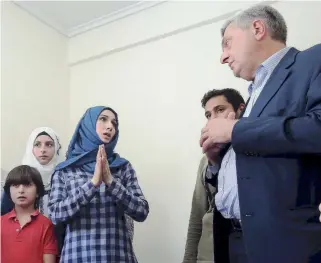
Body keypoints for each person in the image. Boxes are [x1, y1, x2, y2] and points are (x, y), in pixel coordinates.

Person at [200, 4, 321, 263]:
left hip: (286, 245)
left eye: (227, 43)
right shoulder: (254, 92)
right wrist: (216, 162)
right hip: (236, 242)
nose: (223, 57)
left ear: (257, 28)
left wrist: (235, 129)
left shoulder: (312, 62)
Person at [48, 106, 149, 263]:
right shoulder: (66, 170)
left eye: (114, 123)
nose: (110, 126)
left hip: (118, 256)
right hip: (77, 256)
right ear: (88, 125)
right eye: (103, 119)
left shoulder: (122, 166)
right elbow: (55, 215)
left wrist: (111, 182)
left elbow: (141, 211)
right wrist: (92, 184)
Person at [182, 88, 244, 263]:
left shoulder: (254, 150)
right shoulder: (206, 160)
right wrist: (188, 259)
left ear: (240, 109)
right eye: (209, 115)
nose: (214, 119)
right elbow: (197, 214)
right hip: (210, 253)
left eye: (220, 110)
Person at [1, 165, 58, 263]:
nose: (21, 190)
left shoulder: (46, 224)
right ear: (8, 192)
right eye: (15, 185)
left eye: (27, 185)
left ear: (37, 192)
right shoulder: (1, 223)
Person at [1, 127, 61, 216]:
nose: (43, 150)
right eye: (37, 144)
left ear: (56, 148)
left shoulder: (63, 177)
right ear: (30, 148)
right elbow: (5, 213)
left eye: (49, 145)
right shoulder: (18, 177)